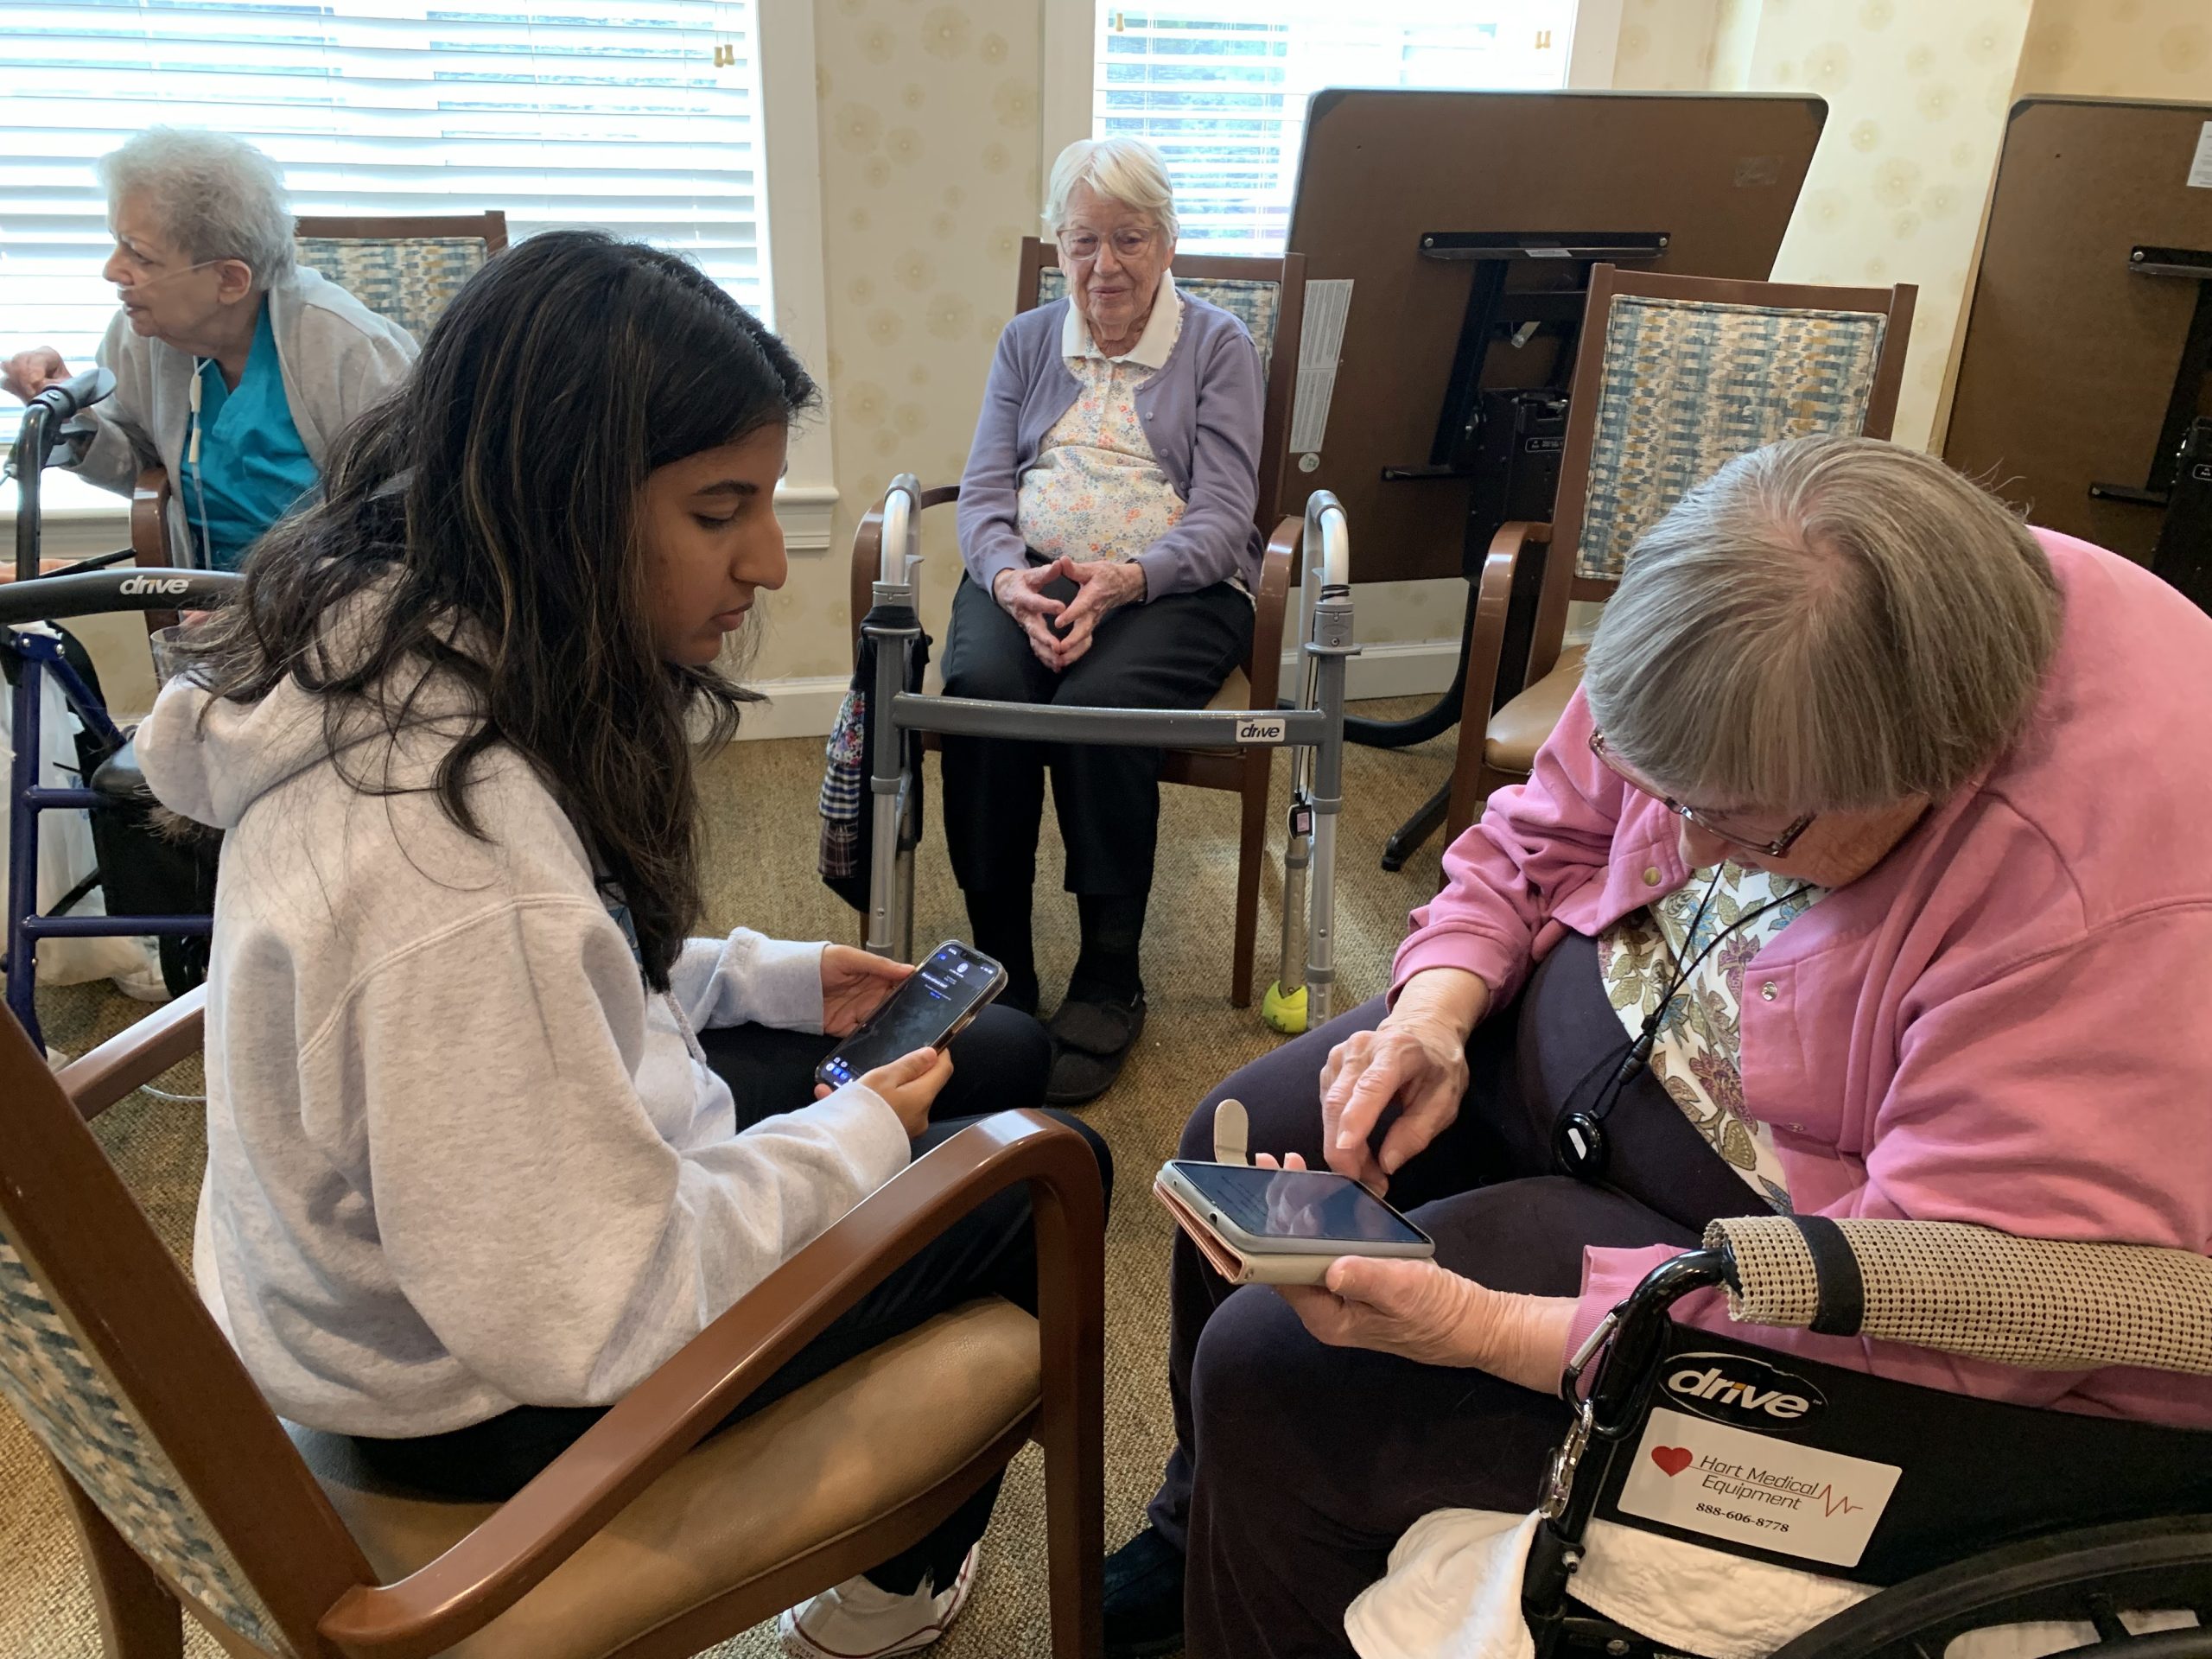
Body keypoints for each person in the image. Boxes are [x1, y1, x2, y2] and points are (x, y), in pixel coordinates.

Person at [134, 232, 1109, 1659]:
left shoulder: (402, 654)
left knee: (993, 1048)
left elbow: (564, 967)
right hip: (482, 1398)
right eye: (720, 511)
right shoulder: (455, 875)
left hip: (416, 1277)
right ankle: (885, 1604)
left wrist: (763, 980)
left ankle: (877, 1129)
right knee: (1048, 1170)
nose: (766, 561)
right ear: (564, 504)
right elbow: (599, 1305)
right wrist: (853, 1146)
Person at [1102, 437, 2212, 1659]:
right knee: (1247, 1143)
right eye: (1666, 797)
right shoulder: (1754, 613)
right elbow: (1538, 832)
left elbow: (1937, 1316)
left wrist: (1479, 1329)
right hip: (1601, 1058)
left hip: (1811, 1259)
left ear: (1921, 776)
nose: (1683, 848)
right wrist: (1433, 1014)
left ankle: (1256, 1557)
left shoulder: (2107, 912)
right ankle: (1199, 1533)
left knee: (1281, 1376)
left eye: (1744, 828)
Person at [945, 135, 1264, 1105]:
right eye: (1084, 241)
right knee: (982, 693)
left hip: (1175, 587)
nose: (1105, 265)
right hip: (1032, 575)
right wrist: (1008, 581)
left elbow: (1225, 516)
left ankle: (1109, 974)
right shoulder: (1025, 341)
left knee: (1102, 704)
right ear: (1059, 246)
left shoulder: (1218, 345)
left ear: (1167, 243)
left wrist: (1126, 579)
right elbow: (983, 494)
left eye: (1129, 239)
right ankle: (1000, 965)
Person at [3, 128, 415, 573]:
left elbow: (407, 525)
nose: (111, 270)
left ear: (230, 280)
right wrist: (73, 415)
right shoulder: (140, 335)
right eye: (117, 242)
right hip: (199, 592)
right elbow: (141, 467)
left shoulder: (353, 352)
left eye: (141, 256)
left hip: (335, 592)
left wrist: (273, 602)